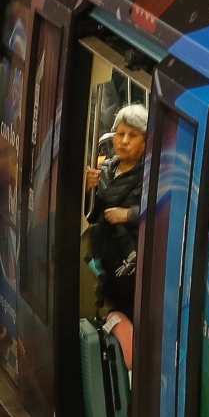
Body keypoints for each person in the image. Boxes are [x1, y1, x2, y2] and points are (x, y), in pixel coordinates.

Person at [83, 104, 145, 321]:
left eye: (133, 135)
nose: (124, 141)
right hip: (108, 262)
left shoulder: (152, 174)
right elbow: (91, 215)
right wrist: (87, 190)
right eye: (120, 134)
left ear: (146, 141)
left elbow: (164, 212)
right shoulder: (107, 168)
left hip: (134, 269)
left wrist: (129, 214)